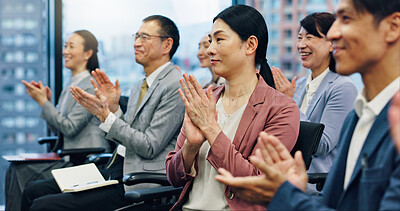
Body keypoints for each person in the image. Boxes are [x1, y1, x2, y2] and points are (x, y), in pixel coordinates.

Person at [216, 0, 400, 210]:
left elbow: (323, 145)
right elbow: (333, 203)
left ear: (392, 27)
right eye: (299, 37)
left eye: (346, 19)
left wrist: (284, 195)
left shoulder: (352, 96)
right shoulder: (357, 116)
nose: (334, 34)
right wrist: (293, 189)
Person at [21, 15, 185, 211]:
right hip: (114, 168)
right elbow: (127, 138)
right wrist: (114, 108)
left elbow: (149, 146)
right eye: (136, 36)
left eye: (144, 37)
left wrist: (107, 116)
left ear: (167, 45)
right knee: (33, 190)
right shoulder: (138, 86)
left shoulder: (175, 85)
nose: (136, 43)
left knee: (43, 206)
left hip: (137, 179)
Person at [166, 5, 300, 210]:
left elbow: (256, 182)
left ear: (250, 45)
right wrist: (191, 146)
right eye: (211, 41)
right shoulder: (204, 100)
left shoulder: (281, 109)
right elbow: (173, 178)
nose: (210, 49)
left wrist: (211, 129)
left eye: (219, 39)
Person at [5, 30, 110, 211]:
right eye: (65, 46)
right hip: (69, 156)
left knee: (19, 171)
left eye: (71, 46)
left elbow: (69, 129)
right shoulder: (72, 83)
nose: (65, 51)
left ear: (87, 53)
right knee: (16, 168)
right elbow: (58, 130)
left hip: (85, 160)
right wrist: (48, 105)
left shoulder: (89, 86)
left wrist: (44, 103)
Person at [271, 12, 357, 193]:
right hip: (287, 184)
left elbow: (322, 144)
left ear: (331, 43)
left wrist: (289, 103)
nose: (301, 45)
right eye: (300, 38)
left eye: (309, 37)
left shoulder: (343, 87)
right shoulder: (299, 84)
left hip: (317, 189)